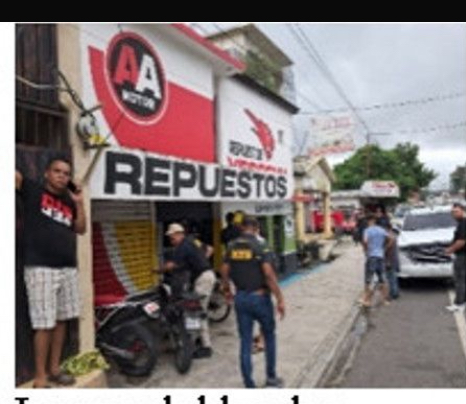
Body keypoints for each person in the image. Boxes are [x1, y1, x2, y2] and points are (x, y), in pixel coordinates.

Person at [16, 157, 86, 388]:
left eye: (66, 173)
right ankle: (40, 377)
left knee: (61, 320)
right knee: (43, 324)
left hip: (67, 267)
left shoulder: (69, 200)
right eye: (57, 171)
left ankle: (55, 369)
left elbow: (81, 229)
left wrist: (79, 203)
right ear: (46, 173)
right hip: (41, 267)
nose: (62, 176)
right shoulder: (33, 190)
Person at [221, 216, 285, 388]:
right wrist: (280, 299)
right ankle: (271, 378)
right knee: (269, 337)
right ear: (256, 229)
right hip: (260, 298)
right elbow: (269, 274)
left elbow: (224, 269)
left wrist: (226, 289)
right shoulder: (261, 246)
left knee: (245, 342)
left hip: (241, 298)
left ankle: (249, 385)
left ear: (242, 228)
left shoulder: (231, 246)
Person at [163, 223, 216, 358]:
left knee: (197, 312)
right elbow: (210, 249)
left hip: (203, 279)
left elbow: (171, 266)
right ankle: (200, 339)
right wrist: (201, 261)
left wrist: (158, 270)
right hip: (208, 275)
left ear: (178, 234)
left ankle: (206, 347)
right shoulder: (193, 241)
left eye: (172, 237)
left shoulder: (182, 247)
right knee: (198, 310)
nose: (171, 240)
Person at [361, 213, 393, 307]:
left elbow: (365, 241)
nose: (367, 222)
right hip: (380, 256)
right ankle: (385, 300)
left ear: (370, 221)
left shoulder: (367, 230)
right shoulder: (381, 230)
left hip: (371, 256)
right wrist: (385, 248)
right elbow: (391, 238)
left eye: (367, 221)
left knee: (368, 279)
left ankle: (367, 300)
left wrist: (366, 250)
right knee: (382, 279)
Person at [445, 203, 466, 312]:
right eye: (453, 212)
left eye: (456, 211)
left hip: (462, 255)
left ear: (463, 211)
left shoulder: (463, 224)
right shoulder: (461, 223)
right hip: (462, 255)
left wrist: (451, 249)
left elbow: (462, 241)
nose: (454, 214)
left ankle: (459, 303)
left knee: (459, 279)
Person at [385, 224, 401, 300]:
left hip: (390, 260)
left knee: (391, 277)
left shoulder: (390, 237)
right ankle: (395, 292)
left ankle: (393, 293)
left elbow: (389, 250)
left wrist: (388, 261)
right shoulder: (394, 237)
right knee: (393, 277)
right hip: (393, 259)